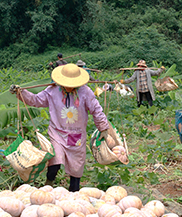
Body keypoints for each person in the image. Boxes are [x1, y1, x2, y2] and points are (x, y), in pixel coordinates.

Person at [9, 64, 109, 192]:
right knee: (55, 160)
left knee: (76, 165)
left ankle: (74, 191)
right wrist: (21, 92)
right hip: (57, 132)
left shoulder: (85, 92)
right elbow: (36, 100)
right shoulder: (52, 91)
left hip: (75, 134)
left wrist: (103, 128)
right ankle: (49, 183)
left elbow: (96, 110)